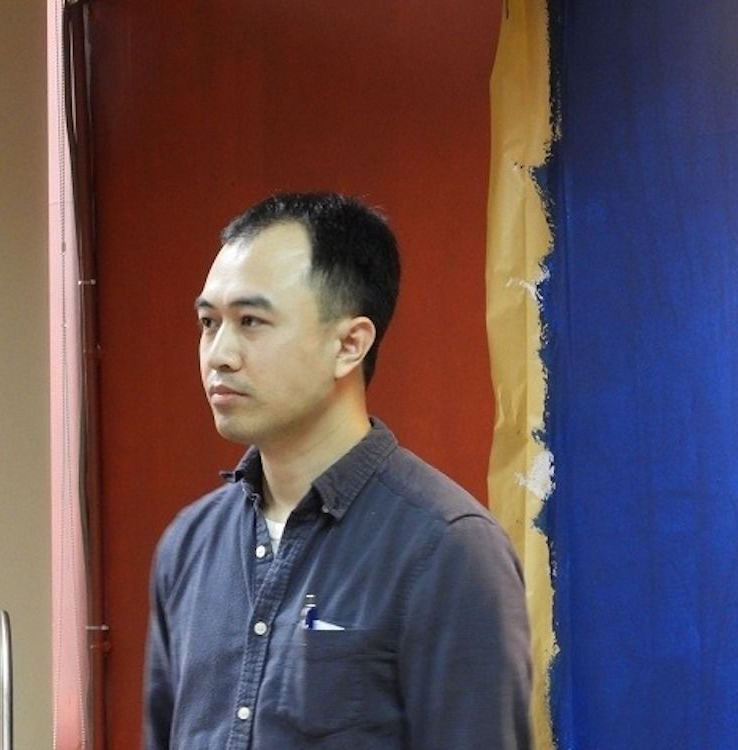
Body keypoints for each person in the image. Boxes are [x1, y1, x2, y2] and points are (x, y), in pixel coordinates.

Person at [144, 192, 532, 749]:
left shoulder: (446, 549)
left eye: (251, 321)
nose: (219, 354)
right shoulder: (190, 544)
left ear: (349, 344)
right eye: (209, 322)